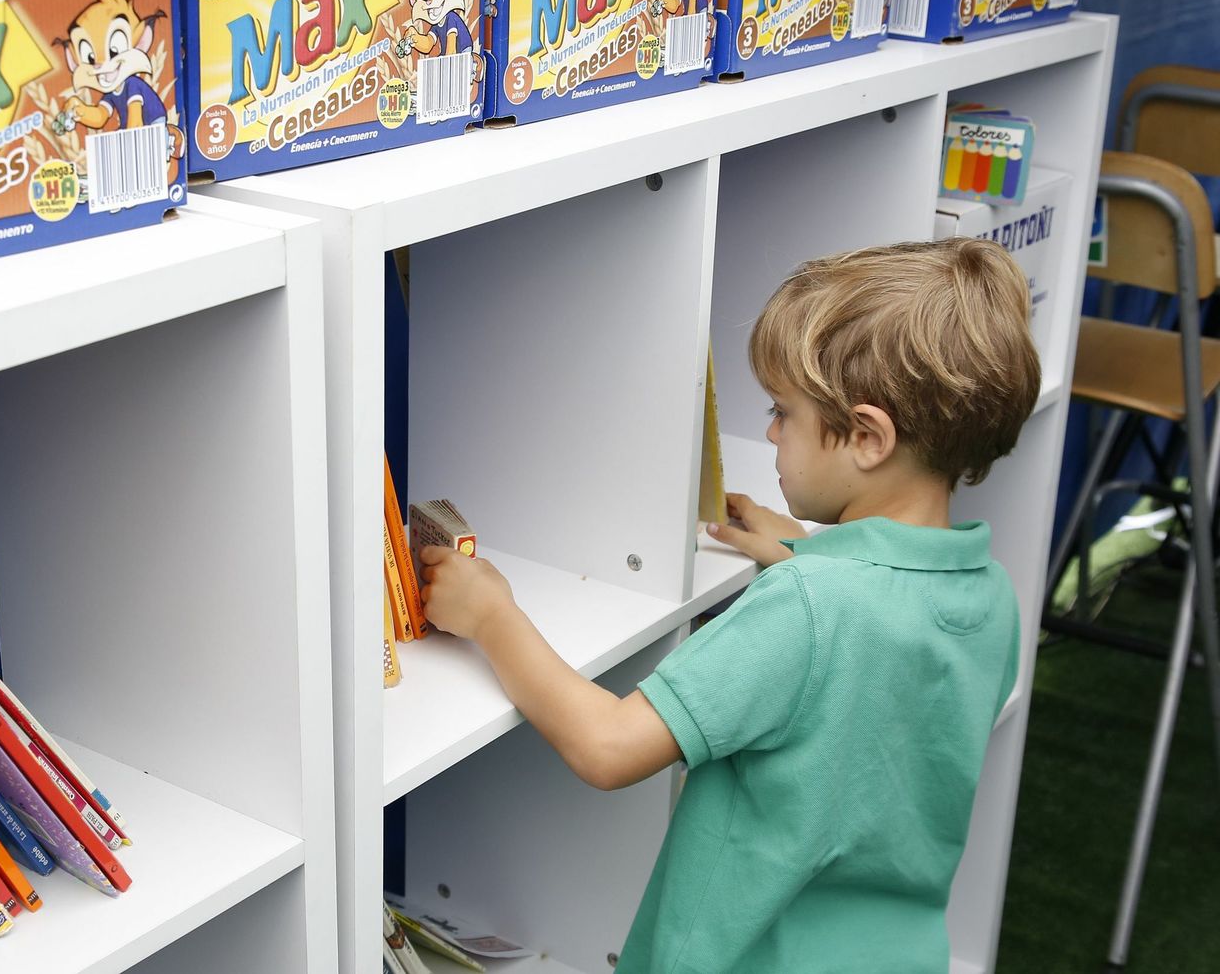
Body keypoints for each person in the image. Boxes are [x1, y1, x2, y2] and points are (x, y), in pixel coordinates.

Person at [419, 238, 1040, 973]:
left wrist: (493, 616)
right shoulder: (988, 596)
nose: (772, 433)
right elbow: (881, 676)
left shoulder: (806, 608)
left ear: (868, 437)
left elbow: (610, 747)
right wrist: (800, 551)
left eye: (784, 413)